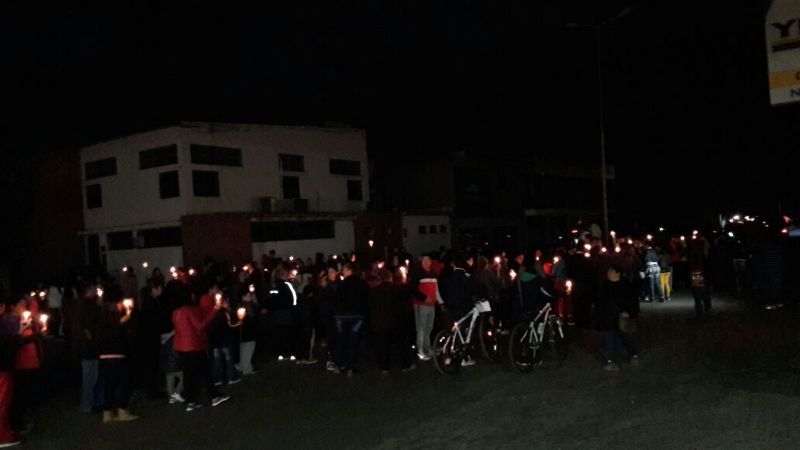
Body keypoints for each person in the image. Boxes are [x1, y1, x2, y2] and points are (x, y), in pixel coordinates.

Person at [172, 293, 229, 412]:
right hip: (193, 346)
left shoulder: (176, 312)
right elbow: (200, 326)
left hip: (181, 346)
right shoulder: (189, 310)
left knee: (188, 374)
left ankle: (190, 400)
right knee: (205, 371)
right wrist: (214, 310)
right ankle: (214, 396)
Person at [96, 295, 138, 423]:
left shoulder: (101, 320)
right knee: (123, 383)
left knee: (109, 385)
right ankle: (122, 411)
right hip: (117, 355)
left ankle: (107, 413)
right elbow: (119, 335)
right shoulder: (116, 321)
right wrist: (124, 322)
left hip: (104, 357)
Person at [596, 265, 639, 372]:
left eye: (611, 271)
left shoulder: (625, 285)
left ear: (617, 273)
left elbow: (632, 301)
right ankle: (612, 361)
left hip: (621, 317)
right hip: (608, 317)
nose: (609, 273)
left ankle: (633, 355)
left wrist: (630, 313)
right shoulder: (605, 285)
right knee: (609, 339)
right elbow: (600, 302)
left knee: (626, 337)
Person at [333, 263, 370, 376]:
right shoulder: (362, 283)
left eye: (343, 269)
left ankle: (339, 365)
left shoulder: (341, 284)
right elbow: (366, 299)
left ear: (349, 270)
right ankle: (350, 367)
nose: (342, 271)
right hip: (357, 315)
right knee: (353, 341)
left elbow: (336, 299)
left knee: (341, 340)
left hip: (341, 316)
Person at [440, 255, 476, 367]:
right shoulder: (466, 276)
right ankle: (464, 358)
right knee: (464, 330)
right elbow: (474, 289)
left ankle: (447, 353)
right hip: (464, 307)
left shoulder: (449, 277)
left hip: (451, 308)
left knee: (454, 329)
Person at [369, 270, 406, 373]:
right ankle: (402, 364)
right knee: (398, 344)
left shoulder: (374, 291)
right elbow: (402, 305)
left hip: (379, 322)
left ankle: (384, 366)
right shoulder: (397, 289)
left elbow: (371, 306)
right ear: (390, 277)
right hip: (394, 321)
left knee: (383, 345)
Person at [73, 286, 102, 414]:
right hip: (90, 347)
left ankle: (89, 403)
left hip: (83, 346)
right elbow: (88, 326)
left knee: (89, 376)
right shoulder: (89, 305)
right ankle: (88, 405)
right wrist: (93, 341)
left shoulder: (79, 305)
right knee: (91, 377)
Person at [411, 256, 441, 361]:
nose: (427, 262)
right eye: (425, 261)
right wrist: (424, 298)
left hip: (431, 304)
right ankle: (420, 350)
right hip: (421, 304)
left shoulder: (433, 273)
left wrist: (440, 301)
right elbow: (413, 288)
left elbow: (436, 289)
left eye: (429, 260)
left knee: (429, 327)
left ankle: (427, 348)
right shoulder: (417, 273)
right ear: (422, 262)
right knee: (421, 327)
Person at [209, 296, 241, 386]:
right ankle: (231, 377)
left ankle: (217, 379)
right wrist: (239, 323)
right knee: (228, 359)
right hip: (225, 339)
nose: (228, 304)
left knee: (217, 361)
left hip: (215, 340)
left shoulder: (213, 312)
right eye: (227, 302)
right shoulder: (224, 312)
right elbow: (230, 324)